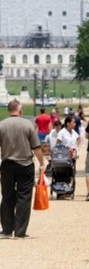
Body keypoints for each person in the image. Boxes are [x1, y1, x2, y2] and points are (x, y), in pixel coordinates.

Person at [0, 99, 46, 238]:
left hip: (7, 163)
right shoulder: (28, 125)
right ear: (20, 111)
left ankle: (7, 230)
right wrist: (42, 162)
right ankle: (20, 231)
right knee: (24, 197)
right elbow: (36, 148)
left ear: (9, 110)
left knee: (7, 196)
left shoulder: (1, 125)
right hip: (25, 164)